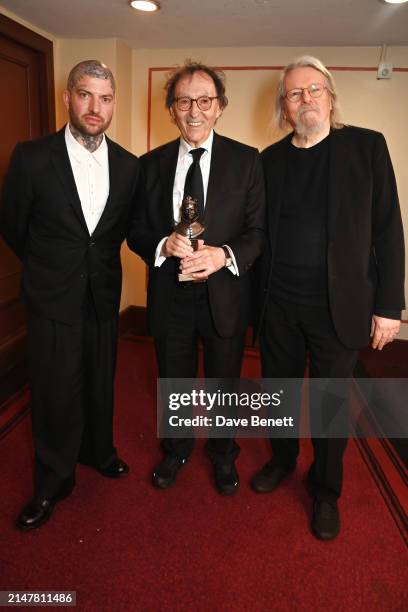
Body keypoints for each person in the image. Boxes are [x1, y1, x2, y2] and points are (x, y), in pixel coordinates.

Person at [252, 56, 405, 540]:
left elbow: (388, 229)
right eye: (295, 94)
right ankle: (282, 459)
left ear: (331, 95)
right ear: (284, 106)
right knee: (276, 392)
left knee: (330, 404)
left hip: (340, 308)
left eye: (314, 89)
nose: (306, 100)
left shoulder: (366, 147)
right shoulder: (268, 160)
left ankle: (325, 491)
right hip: (278, 304)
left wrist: (389, 306)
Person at [0, 60, 141, 530]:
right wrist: (51, 267)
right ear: (67, 98)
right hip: (51, 295)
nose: (94, 107)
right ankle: (53, 481)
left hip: (103, 295)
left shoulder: (128, 165)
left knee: (101, 380)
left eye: (104, 98)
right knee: (55, 390)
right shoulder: (32, 157)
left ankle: (99, 451)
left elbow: (121, 231)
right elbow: (14, 226)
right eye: (85, 95)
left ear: (114, 103)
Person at [128, 60, 265, 495]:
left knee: (224, 379)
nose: (194, 111)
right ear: (171, 109)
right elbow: (135, 230)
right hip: (171, 294)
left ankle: (223, 454)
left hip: (224, 294)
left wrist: (223, 256)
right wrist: (161, 245)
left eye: (205, 100)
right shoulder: (149, 165)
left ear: (220, 106)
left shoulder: (247, 161)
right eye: (184, 101)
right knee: (174, 378)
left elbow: (257, 233)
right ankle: (176, 449)